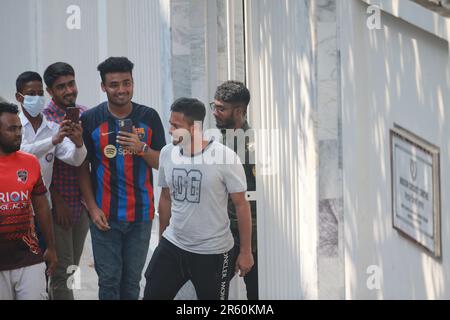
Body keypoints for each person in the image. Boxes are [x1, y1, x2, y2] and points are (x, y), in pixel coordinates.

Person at [143, 98, 253, 300]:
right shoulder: (168, 153)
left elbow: (241, 205)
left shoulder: (224, 157)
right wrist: (161, 242)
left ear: (194, 128)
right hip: (174, 244)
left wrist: (246, 251)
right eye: (170, 123)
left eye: (176, 126)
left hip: (214, 252)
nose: (169, 130)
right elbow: (166, 199)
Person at [78, 56, 166, 300]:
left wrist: (141, 148)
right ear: (103, 87)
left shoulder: (149, 117)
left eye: (126, 83)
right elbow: (81, 167)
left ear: (133, 83)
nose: (121, 90)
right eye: (114, 84)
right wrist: (93, 208)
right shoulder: (91, 119)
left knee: (131, 282)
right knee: (109, 282)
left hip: (141, 216)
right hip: (105, 216)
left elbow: (163, 164)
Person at [15, 71, 87, 251]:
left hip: (43, 211)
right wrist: (53, 141)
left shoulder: (53, 128)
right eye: (31, 94)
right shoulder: (13, 126)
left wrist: (78, 143)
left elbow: (75, 159)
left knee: (46, 264)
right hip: (15, 210)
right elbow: (21, 152)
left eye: (40, 94)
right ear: (19, 96)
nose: (37, 98)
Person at [0, 102, 57, 300]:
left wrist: (50, 247)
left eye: (19, 128)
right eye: (11, 129)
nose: (18, 133)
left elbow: (42, 206)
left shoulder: (30, 162)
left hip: (29, 256)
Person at [42, 62, 90, 300]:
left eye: (71, 83)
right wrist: (56, 199)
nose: (69, 90)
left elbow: (87, 161)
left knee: (70, 270)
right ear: (50, 91)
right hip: (56, 206)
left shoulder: (84, 113)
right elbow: (40, 166)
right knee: (61, 272)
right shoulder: (43, 119)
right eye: (61, 87)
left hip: (81, 205)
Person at [211, 80, 258, 299]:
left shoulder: (254, 145)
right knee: (211, 292)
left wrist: (247, 249)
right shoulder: (213, 141)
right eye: (214, 106)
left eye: (221, 108)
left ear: (238, 111)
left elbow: (255, 198)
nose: (215, 112)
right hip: (219, 232)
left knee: (257, 295)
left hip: (249, 235)